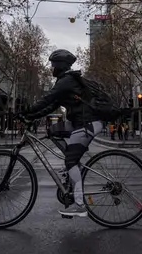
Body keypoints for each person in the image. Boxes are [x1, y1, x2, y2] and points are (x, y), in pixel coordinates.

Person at [19, 48, 105, 218]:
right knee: (54, 131)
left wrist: (26, 110)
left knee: (70, 160)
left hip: (88, 123)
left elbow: (47, 99)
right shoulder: (65, 82)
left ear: (60, 65)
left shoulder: (66, 81)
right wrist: (32, 116)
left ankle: (79, 205)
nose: (51, 68)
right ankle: (70, 169)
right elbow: (51, 106)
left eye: (53, 65)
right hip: (79, 123)